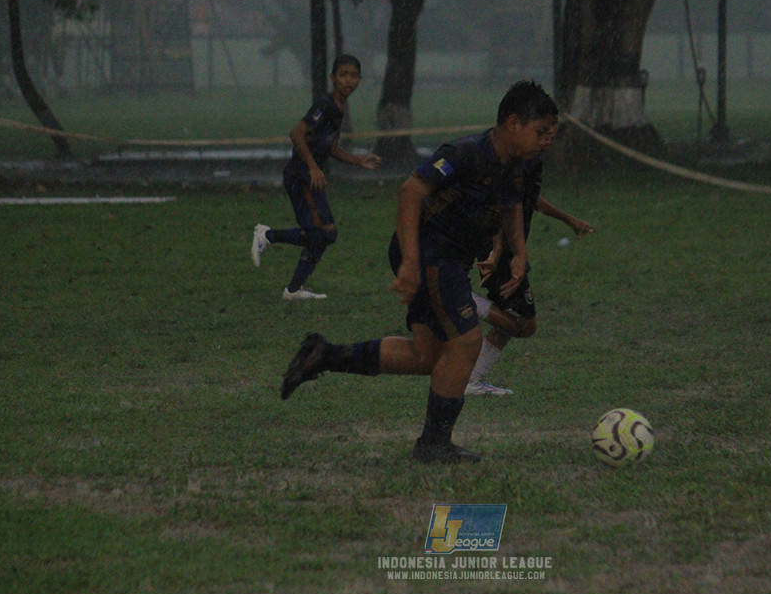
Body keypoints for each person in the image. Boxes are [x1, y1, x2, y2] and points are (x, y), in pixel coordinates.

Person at [279, 81, 560, 463]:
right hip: (429, 253)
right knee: (465, 344)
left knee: (427, 355)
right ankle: (433, 444)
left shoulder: (517, 165)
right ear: (512, 123)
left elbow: (511, 205)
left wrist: (517, 253)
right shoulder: (465, 153)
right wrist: (411, 262)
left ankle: (323, 355)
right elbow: (410, 192)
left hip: (450, 259)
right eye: (540, 131)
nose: (547, 140)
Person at [251, 54, 381, 300]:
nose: (348, 81)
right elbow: (297, 133)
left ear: (360, 79)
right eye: (343, 75)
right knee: (324, 233)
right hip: (300, 177)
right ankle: (269, 239)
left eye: (354, 76)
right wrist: (312, 168)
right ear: (333, 78)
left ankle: (292, 286)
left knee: (324, 234)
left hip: (309, 177)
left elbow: (328, 147)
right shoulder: (325, 105)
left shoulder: (339, 109)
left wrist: (358, 160)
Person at [466, 176, 596, 396]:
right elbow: (500, 205)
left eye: (551, 138)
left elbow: (529, 199)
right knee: (523, 325)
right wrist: (497, 250)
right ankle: (459, 298)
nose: (547, 142)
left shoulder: (528, 161)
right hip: (503, 254)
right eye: (544, 138)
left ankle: (472, 380)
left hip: (509, 251)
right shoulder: (511, 160)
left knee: (511, 318)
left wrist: (568, 219)